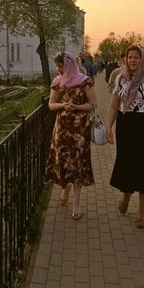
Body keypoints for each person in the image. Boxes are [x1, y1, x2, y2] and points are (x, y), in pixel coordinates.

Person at [105, 45, 144, 228]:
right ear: (125, 59)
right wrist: (109, 127)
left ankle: (142, 213)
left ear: (142, 59)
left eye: (136, 57)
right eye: (129, 57)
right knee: (127, 164)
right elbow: (112, 106)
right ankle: (125, 195)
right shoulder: (121, 79)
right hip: (126, 126)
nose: (132, 60)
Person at [45, 51, 98, 220]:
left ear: (68, 65)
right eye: (57, 66)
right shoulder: (57, 82)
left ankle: (76, 203)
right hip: (61, 129)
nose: (58, 69)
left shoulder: (84, 82)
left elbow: (93, 104)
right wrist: (63, 105)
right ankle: (64, 187)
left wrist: (76, 107)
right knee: (63, 161)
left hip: (80, 129)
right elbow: (51, 105)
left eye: (60, 66)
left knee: (78, 163)